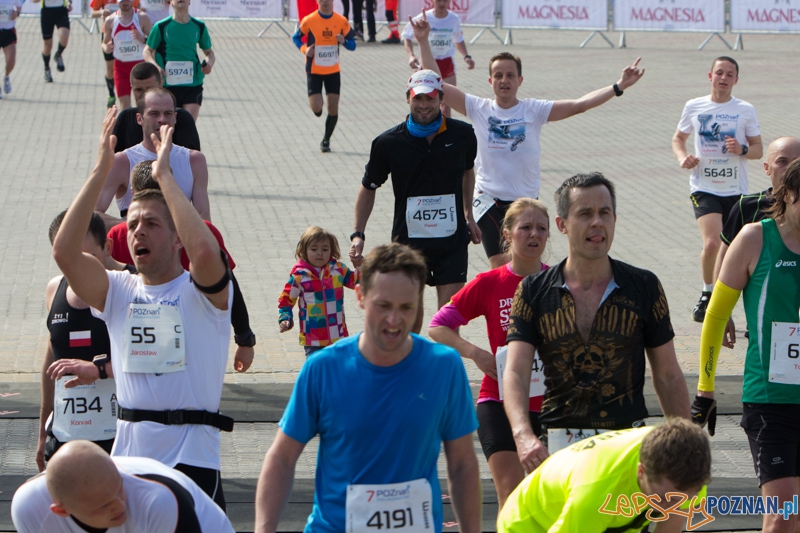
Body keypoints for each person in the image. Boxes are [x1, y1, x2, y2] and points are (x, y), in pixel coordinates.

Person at [49, 109, 234, 509]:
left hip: (191, 458)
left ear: (177, 237)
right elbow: (65, 251)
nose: (138, 233)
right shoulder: (118, 290)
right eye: (132, 224)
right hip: (130, 455)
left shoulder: (203, 292)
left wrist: (165, 177)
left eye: (151, 224)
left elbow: (204, 249)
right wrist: (101, 171)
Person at [255, 243, 481, 533]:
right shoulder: (324, 368)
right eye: (383, 305)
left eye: (406, 307)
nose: (394, 320)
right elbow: (281, 458)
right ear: (360, 296)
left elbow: (463, 464)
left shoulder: (444, 367)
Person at [409, 13, 645, 268]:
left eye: (510, 75)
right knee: (502, 267)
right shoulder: (478, 108)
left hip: (526, 204)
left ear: (520, 80)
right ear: (490, 81)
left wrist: (618, 86)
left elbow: (579, 105)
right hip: (489, 203)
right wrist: (423, 41)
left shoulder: (535, 110)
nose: (504, 80)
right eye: (498, 75)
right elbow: (436, 81)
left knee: (526, 269)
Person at [503, 173, 691, 473]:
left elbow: (668, 375)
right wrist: (523, 434)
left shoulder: (643, 286)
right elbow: (515, 372)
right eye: (585, 213)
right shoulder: (532, 291)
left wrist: (686, 442)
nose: (597, 223)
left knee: (626, 522)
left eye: (604, 213)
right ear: (562, 224)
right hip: (557, 451)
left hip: (627, 448)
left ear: (614, 219)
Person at [693, 157, 800, 533]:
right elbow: (716, 315)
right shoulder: (755, 237)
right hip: (772, 401)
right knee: (784, 516)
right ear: (787, 195)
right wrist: (705, 389)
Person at [429, 198, 548, 510]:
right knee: (511, 494)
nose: (534, 235)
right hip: (498, 400)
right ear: (507, 234)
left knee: (548, 497)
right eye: (525, 228)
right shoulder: (489, 283)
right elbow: (438, 326)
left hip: (552, 403)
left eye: (541, 229)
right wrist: (477, 354)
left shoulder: (561, 280)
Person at [350, 69, 480, 333]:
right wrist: (358, 233)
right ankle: (409, 371)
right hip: (409, 242)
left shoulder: (463, 135)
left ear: (441, 99)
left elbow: (468, 172)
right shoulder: (388, 142)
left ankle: (443, 374)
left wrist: (469, 216)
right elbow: (369, 187)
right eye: (417, 98)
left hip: (451, 241)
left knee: (448, 322)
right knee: (411, 321)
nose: (423, 105)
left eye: (430, 99)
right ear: (408, 98)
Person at [106, 159, 255, 372]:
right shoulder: (203, 232)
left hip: (136, 341)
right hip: (193, 333)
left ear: (132, 190)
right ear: (171, 185)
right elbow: (230, 284)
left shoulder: (120, 235)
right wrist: (244, 337)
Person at [36, 210, 135, 472]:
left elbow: (157, 364)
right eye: (68, 261)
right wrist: (43, 428)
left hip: (121, 440)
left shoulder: (134, 288)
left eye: (86, 258)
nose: (78, 269)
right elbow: (52, 362)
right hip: (66, 437)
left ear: (108, 247)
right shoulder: (53, 289)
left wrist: (101, 371)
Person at [497, 419, 711, 533]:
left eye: (680, 500)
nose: (668, 508)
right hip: (528, 524)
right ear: (641, 471)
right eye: (662, 499)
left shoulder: (689, 469)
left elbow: (668, 529)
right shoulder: (596, 493)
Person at [671, 56, 762, 323]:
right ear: (710, 76)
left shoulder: (745, 109)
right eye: (719, 72)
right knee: (712, 242)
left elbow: (758, 150)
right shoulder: (694, 106)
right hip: (704, 187)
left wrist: (742, 149)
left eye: (729, 74)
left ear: (736, 79)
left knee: (735, 248)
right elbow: (678, 138)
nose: (724, 78)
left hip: (736, 190)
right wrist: (682, 158)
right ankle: (707, 293)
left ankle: (732, 300)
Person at [13, 440, 234, 533]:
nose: (119, 506)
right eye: (102, 505)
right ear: (60, 510)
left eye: (119, 490)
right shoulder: (29, 507)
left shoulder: (158, 500)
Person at [713, 136, 800, 348]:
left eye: (796, 161)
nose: (789, 168)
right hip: (765, 324)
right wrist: (722, 314)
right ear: (766, 168)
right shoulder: (748, 207)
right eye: (782, 161)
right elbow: (724, 258)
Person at [96, 87, 209, 228]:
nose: (162, 119)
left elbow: (204, 219)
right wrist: (134, 226)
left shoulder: (195, 161)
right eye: (154, 114)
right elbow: (93, 213)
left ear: (175, 117)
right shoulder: (122, 161)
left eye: (168, 113)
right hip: (137, 244)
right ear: (139, 119)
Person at [278, 226, 359, 357]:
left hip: (337, 336)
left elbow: (356, 282)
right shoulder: (299, 276)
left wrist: (359, 266)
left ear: (332, 251)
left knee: (337, 372)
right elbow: (285, 301)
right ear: (304, 251)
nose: (320, 253)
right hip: (313, 338)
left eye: (325, 249)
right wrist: (285, 318)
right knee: (317, 373)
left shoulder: (338, 270)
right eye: (314, 249)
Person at [292, 0, 356, 153]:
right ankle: (317, 109)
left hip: (333, 71)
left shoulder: (341, 21)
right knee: (317, 107)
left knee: (333, 107)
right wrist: (304, 49)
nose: (325, 2)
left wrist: (344, 41)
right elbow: (295, 38)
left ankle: (326, 139)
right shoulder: (309, 20)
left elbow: (353, 45)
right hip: (314, 70)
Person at [143, 0, 214, 122]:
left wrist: (209, 64)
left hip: (192, 84)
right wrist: (155, 67)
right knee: (168, 128)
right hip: (167, 85)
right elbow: (147, 51)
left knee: (188, 126)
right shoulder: (161, 26)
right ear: (170, 2)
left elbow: (209, 53)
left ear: (189, 2)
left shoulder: (199, 26)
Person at [401, 0, 474, 116]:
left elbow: (458, 39)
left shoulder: (453, 19)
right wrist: (411, 56)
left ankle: (445, 132)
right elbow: (406, 36)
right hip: (427, 63)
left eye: (445, 0)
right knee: (424, 101)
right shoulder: (424, 18)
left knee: (446, 103)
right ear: (432, 1)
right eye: (438, 0)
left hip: (446, 63)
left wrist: (466, 56)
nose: (441, 4)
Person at [114, 62, 201, 152]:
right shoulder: (125, 118)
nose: (144, 94)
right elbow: (112, 162)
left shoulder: (182, 118)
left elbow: (192, 162)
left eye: (150, 89)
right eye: (139, 90)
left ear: (161, 84)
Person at [102, 0, 151, 110]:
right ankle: (129, 127)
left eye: (128, 0)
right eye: (122, 1)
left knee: (141, 104)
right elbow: (104, 43)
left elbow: (154, 42)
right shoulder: (110, 20)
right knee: (125, 107)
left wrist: (142, 38)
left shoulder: (142, 17)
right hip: (120, 67)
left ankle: (142, 127)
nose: (125, 3)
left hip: (139, 66)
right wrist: (106, 48)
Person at [33, 0, 71, 83]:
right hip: (47, 12)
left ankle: (58, 55)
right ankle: (47, 68)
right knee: (47, 46)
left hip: (61, 11)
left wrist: (69, 3)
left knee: (64, 37)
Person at [0, 0, 21, 98]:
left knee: (10, 61)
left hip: (8, 31)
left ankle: (6, 76)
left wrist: (16, 13)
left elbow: (19, 7)